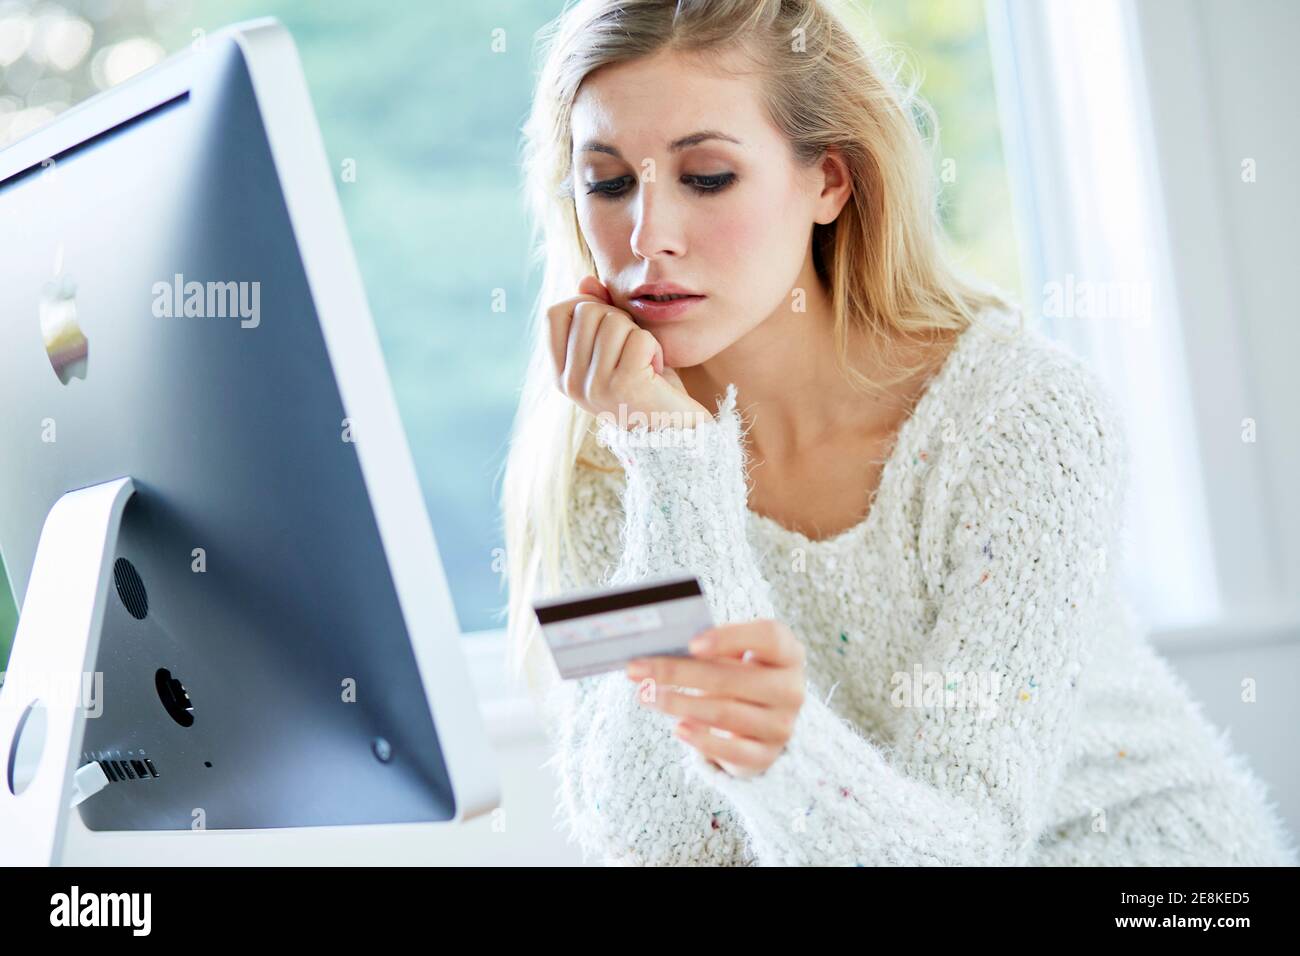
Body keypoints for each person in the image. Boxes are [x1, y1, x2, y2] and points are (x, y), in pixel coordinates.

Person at [499, 0, 1298, 866]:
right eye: (609, 182)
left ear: (828, 181)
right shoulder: (606, 452)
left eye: (707, 177)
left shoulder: (1023, 419)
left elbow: (969, 849)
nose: (647, 238)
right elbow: (656, 844)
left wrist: (784, 754)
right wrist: (673, 472)